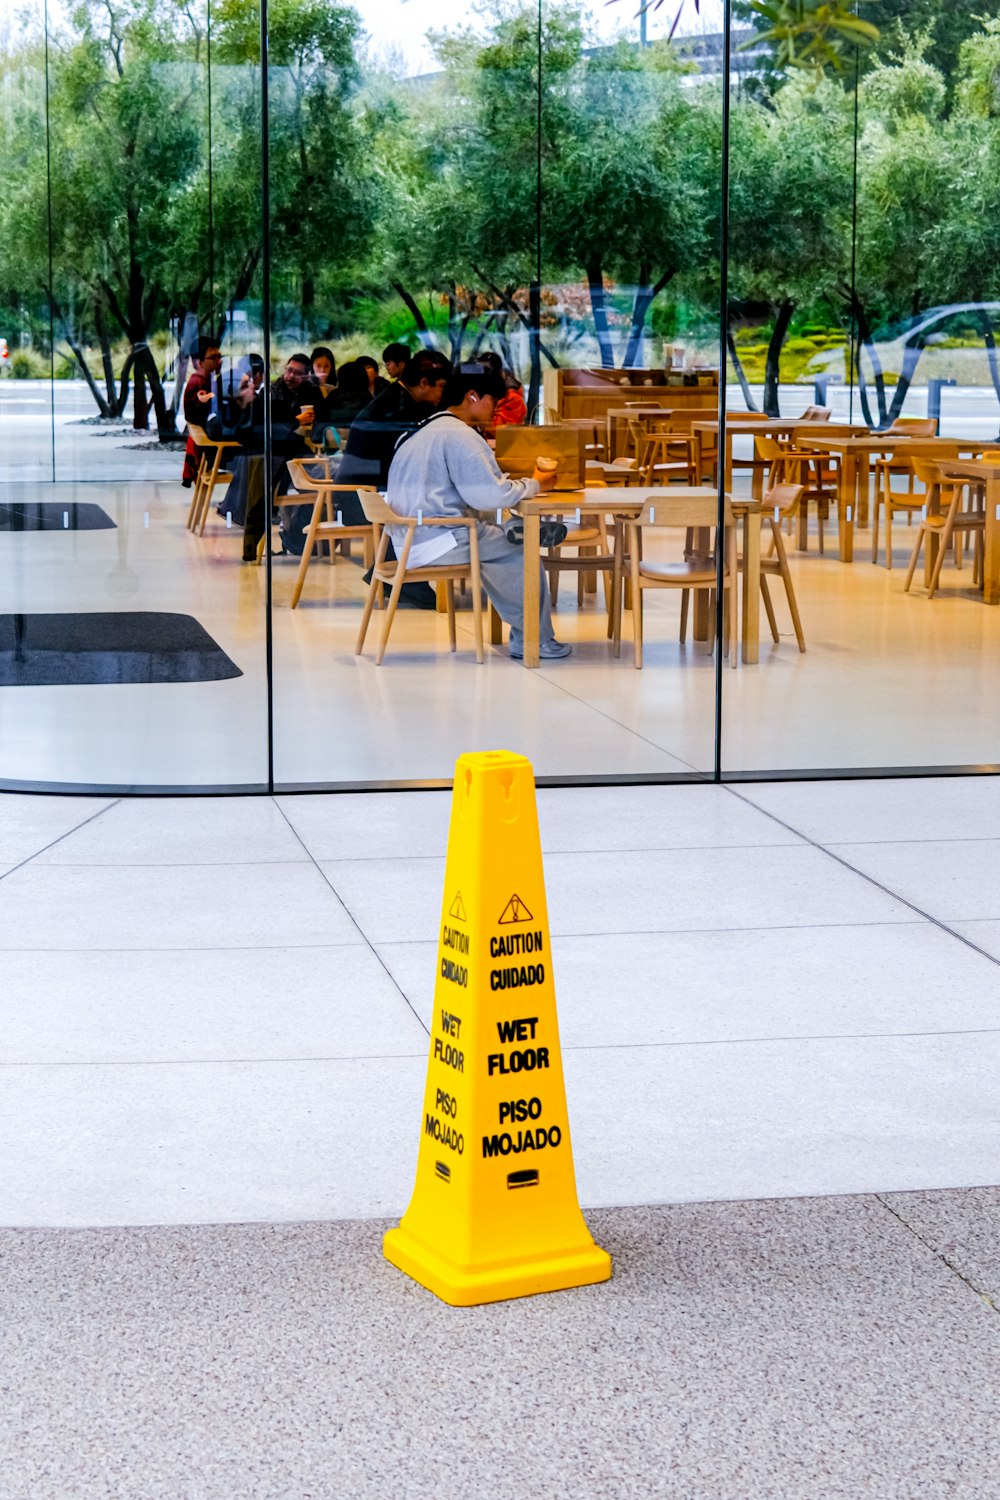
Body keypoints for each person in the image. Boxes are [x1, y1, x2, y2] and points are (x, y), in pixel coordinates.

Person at [384, 363, 571, 661]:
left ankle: (515, 530)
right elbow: (490, 495)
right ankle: (535, 640)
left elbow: (476, 492)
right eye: (493, 401)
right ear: (473, 396)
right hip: (439, 540)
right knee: (522, 551)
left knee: (497, 536)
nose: (495, 410)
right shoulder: (462, 436)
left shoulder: (427, 428)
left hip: (407, 538)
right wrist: (534, 484)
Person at [180, 335, 222, 487]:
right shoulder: (200, 382)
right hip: (207, 444)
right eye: (213, 357)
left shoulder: (204, 379)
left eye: (219, 356)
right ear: (199, 361)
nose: (219, 360)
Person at [480, 351, 527, 432]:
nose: (482, 377)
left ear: (500, 374)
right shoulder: (478, 395)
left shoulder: (514, 399)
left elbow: (500, 431)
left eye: (487, 372)